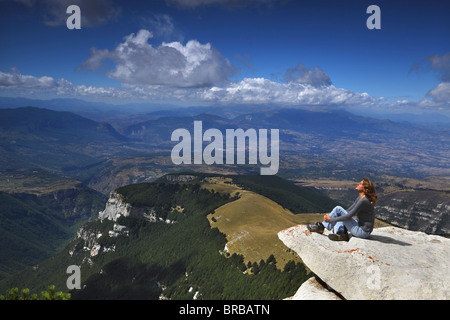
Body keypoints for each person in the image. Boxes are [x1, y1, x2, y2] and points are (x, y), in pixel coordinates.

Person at [307, 177, 378, 241]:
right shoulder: (360, 198)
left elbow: (349, 216)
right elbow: (348, 211)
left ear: (365, 189)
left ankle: (322, 226)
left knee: (338, 209)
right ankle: (341, 234)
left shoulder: (364, 200)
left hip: (363, 232)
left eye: (360, 183)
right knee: (339, 214)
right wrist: (333, 216)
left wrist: (330, 219)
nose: (358, 183)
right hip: (360, 227)